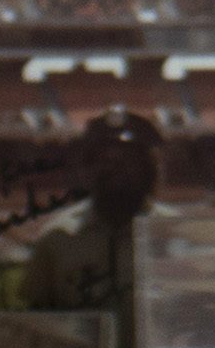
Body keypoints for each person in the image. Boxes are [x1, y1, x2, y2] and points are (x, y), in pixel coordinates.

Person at [18, 106, 165, 311]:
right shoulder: (57, 238)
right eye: (105, 160)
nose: (115, 170)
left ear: (149, 168)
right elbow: (39, 318)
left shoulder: (175, 234)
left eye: (128, 161)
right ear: (88, 169)